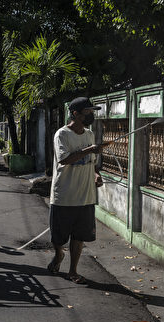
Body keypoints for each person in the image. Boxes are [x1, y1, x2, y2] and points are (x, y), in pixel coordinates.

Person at [47, 96, 106, 284]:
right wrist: (90, 150)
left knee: (79, 237)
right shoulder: (62, 135)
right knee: (58, 237)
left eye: (92, 112)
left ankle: (73, 270)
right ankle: (58, 256)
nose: (91, 115)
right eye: (88, 112)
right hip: (64, 195)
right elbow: (64, 160)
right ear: (75, 113)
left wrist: (96, 175)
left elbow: (92, 163)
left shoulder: (89, 134)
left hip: (85, 196)